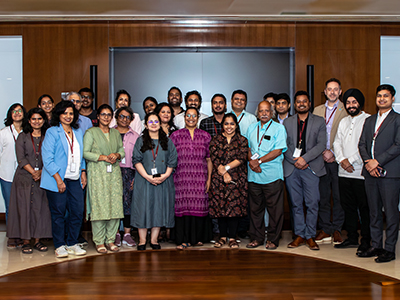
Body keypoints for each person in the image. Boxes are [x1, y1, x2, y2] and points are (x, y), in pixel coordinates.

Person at [358, 84, 400, 263]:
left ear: (392, 99)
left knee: (390, 212)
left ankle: (389, 249)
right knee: (373, 212)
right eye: (379, 96)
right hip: (370, 172)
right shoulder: (369, 120)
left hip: (389, 173)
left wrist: (378, 161)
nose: (382, 99)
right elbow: (361, 144)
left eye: (386, 96)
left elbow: (398, 145)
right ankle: (376, 245)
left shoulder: (397, 120)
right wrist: (369, 163)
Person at [40, 101, 87, 258]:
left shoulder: (78, 132)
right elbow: (47, 159)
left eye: (71, 113)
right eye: (65, 113)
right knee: (59, 213)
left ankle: (72, 243)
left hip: (74, 179)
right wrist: (59, 180)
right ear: (58, 114)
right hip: (57, 179)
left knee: (77, 211)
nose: (68, 116)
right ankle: (60, 245)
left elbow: (80, 155)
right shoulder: (52, 132)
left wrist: (83, 172)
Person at [284, 91, 326, 251]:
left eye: (305, 101)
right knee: (295, 204)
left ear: (309, 104)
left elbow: (321, 145)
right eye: (298, 102)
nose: (301, 104)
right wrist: (295, 161)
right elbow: (284, 145)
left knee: (312, 203)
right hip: (292, 168)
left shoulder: (319, 121)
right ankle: (299, 234)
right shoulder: (287, 122)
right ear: (295, 105)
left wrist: (305, 159)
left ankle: (310, 236)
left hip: (311, 168)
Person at [7, 108, 52, 254]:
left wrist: (41, 172)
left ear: (44, 121)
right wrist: (33, 172)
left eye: (40, 119)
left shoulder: (48, 136)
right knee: (24, 208)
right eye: (34, 119)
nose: (37, 121)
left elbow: (51, 156)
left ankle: (37, 240)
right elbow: (21, 158)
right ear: (29, 121)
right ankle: (26, 241)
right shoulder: (23, 137)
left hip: (43, 177)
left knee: (40, 209)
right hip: (24, 178)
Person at [131, 113, 177, 250]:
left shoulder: (168, 141)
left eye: (156, 121)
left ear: (160, 123)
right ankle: (142, 241)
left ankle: (154, 240)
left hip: (163, 180)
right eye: (150, 122)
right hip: (143, 180)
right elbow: (136, 160)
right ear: (146, 125)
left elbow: (172, 160)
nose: (154, 124)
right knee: (142, 209)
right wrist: (147, 176)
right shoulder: (140, 141)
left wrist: (165, 175)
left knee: (159, 208)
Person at [332, 88, 371, 253]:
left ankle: (366, 240)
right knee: (347, 206)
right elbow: (336, 143)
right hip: (343, 171)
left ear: (360, 103)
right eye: (348, 102)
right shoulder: (343, 121)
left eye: (354, 102)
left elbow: (366, 144)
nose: (351, 105)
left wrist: (351, 161)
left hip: (361, 173)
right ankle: (352, 238)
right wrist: (342, 160)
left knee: (364, 208)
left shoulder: (368, 119)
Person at [83, 104, 125, 254]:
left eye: (109, 115)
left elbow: (121, 150)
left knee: (115, 206)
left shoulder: (115, 133)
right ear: (98, 117)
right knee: (99, 206)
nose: (106, 117)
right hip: (97, 172)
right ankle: (99, 241)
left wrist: (117, 155)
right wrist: (102, 157)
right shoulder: (91, 132)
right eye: (103, 114)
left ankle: (110, 240)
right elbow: (85, 153)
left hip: (113, 173)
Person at [245, 101, 287, 249]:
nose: (264, 113)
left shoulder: (279, 128)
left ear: (271, 113)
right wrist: (251, 160)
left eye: (267, 111)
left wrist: (259, 161)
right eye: (261, 111)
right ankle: (257, 238)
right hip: (254, 176)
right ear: (257, 113)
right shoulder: (251, 128)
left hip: (272, 175)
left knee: (275, 211)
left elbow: (278, 150)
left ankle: (273, 240)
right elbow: (248, 147)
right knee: (255, 210)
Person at [170, 107, 212, 249]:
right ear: (184, 117)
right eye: (188, 115)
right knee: (182, 208)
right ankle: (182, 239)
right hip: (181, 178)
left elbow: (209, 159)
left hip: (200, 177)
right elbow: (170, 158)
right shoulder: (175, 135)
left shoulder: (206, 136)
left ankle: (197, 238)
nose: (191, 118)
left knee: (198, 207)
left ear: (198, 117)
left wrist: (209, 179)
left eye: (194, 116)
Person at [313, 78, 348, 244]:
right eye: (329, 89)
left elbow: (348, 137)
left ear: (340, 92)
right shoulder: (317, 110)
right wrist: (322, 153)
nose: (332, 92)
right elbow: (312, 136)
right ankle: (325, 228)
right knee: (323, 196)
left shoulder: (346, 110)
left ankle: (337, 229)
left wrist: (333, 152)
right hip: (320, 159)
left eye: (336, 89)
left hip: (338, 159)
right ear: (325, 92)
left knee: (339, 196)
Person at [209, 113, 248, 248]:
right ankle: (222, 236)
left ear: (236, 125)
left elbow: (242, 158)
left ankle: (232, 237)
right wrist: (224, 173)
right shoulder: (215, 140)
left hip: (237, 179)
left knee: (234, 209)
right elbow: (214, 158)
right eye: (226, 124)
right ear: (222, 125)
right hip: (218, 179)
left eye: (232, 124)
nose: (229, 126)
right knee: (221, 209)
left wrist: (225, 168)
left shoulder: (242, 140)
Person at [113, 106, 139, 247]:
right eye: (121, 116)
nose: (124, 119)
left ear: (131, 119)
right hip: (113, 173)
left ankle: (127, 234)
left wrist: (135, 178)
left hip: (130, 172)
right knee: (115, 203)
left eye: (127, 117)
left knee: (129, 204)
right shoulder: (110, 133)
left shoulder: (135, 136)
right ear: (116, 117)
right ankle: (116, 233)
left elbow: (138, 158)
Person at [0, 103, 26, 230]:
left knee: (24, 205)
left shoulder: (28, 132)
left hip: (25, 174)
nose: (17, 113)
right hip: (7, 174)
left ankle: (24, 235)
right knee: (11, 206)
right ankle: (12, 234)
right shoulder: (3, 133)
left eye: (19, 110)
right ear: (10, 114)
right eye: (14, 111)